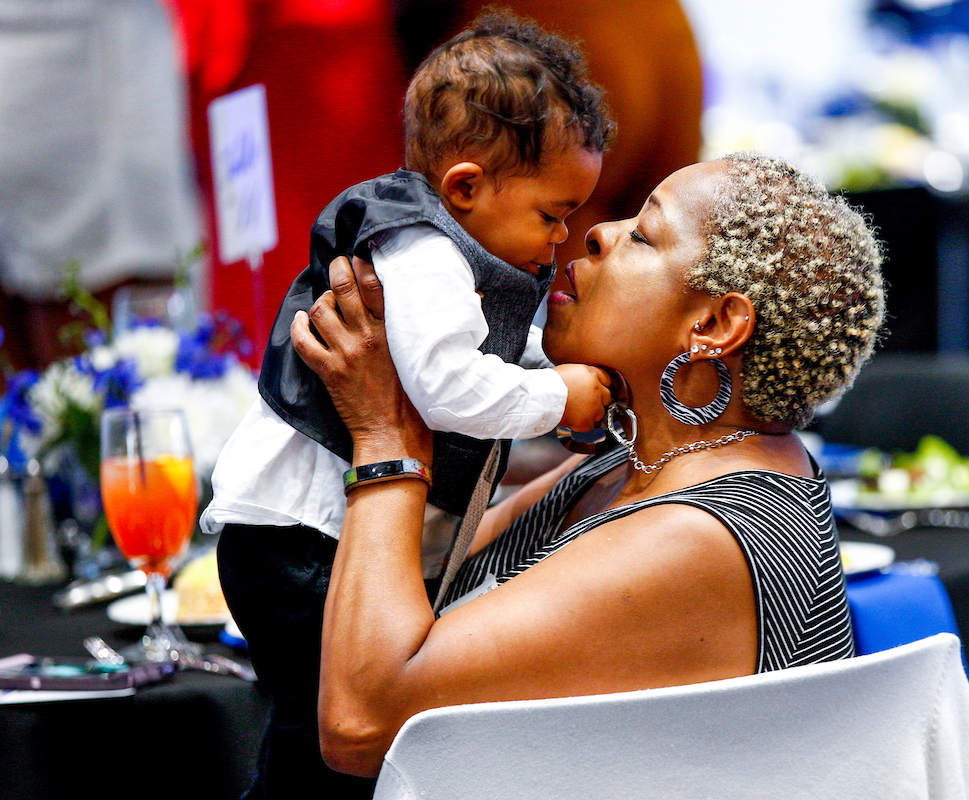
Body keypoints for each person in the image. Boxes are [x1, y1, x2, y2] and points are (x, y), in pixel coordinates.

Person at [292, 152, 886, 778]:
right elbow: (420, 576)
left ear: (713, 324)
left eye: (643, 234)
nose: (599, 232)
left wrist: (385, 436)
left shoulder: (699, 538)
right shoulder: (634, 464)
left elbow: (361, 721)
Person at [203, 14, 615, 797]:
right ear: (465, 187)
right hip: (298, 538)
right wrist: (558, 393)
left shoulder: (457, 248)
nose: (565, 236)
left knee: (320, 726)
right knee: (328, 733)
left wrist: (539, 364)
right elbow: (446, 386)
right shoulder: (425, 253)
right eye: (553, 213)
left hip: (312, 535)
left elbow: (470, 357)